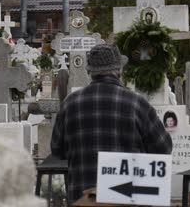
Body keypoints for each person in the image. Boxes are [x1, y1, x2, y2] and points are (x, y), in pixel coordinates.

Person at [51, 43, 172, 204]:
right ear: (119, 71)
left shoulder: (70, 104)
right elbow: (164, 148)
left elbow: (57, 150)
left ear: (89, 72)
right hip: (127, 198)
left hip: (84, 199)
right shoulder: (137, 104)